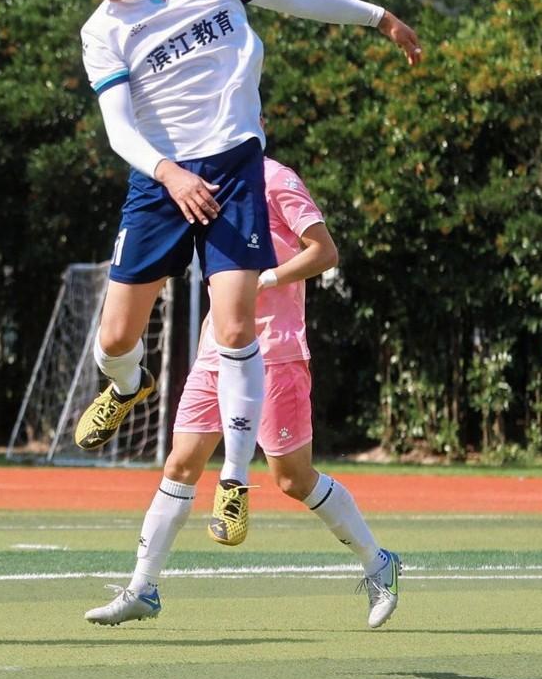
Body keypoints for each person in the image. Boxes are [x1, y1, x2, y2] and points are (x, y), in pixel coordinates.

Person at [54, 0, 421, 551]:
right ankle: (129, 384)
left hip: (230, 168)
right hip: (160, 179)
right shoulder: (101, 32)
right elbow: (119, 130)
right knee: (114, 339)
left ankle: (233, 479)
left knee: (234, 327)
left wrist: (378, 17)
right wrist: (170, 174)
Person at [87, 153, 401, 628]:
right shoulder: (202, 184)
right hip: (215, 353)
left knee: (292, 479)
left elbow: (325, 252)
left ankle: (379, 563)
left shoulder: (275, 178)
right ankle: (142, 587)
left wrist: (266, 278)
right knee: (180, 464)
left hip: (276, 351)